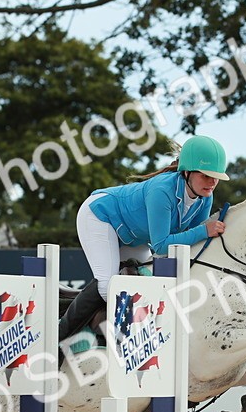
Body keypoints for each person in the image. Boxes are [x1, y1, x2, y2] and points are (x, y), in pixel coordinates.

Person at [58, 135, 230, 346]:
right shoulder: (162, 191)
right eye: (205, 176)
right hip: (101, 216)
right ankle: (58, 337)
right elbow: (161, 245)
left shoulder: (206, 196)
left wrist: (207, 233)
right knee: (107, 285)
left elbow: (191, 241)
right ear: (187, 172)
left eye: (216, 177)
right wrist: (205, 231)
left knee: (143, 281)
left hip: (135, 235)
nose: (212, 182)